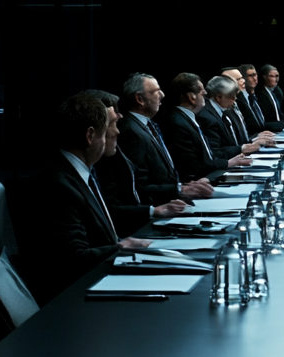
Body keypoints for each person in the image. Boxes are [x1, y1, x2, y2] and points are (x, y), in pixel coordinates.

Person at [8, 93, 151, 306]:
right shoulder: (56, 185)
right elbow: (73, 259)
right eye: (107, 130)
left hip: (99, 285)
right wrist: (121, 248)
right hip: (78, 304)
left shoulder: (78, 175)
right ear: (90, 136)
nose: (117, 132)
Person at [86, 89, 188, 238]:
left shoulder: (113, 151)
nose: (117, 130)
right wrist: (154, 210)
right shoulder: (123, 139)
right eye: (113, 121)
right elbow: (110, 209)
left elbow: (136, 189)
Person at [116, 72, 213, 200]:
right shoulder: (130, 132)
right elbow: (137, 185)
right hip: (159, 211)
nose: (162, 95)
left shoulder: (147, 125)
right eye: (156, 91)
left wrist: (184, 185)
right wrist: (178, 189)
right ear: (140, 99)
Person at [165, 72, 254, 179]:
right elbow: (191, 165)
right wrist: (227, 163)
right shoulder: (178, 122)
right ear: (192, 97)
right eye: (202, 92)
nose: (206, 93)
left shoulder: (185, 118)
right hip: (199, 183)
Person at [198, 75, 264, 155]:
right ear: (219, 97)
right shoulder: (207, 118)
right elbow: (215, 152)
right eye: (232, 96)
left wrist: (253, 141)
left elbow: (234, 142)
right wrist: (241, 148)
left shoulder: (223, 109)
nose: (235, 99)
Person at [221, 66, 278, 143]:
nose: (243, 81)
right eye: (238, 79)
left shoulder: (243, 99)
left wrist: (257, 137)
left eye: (242, 78)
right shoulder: (233, 103)